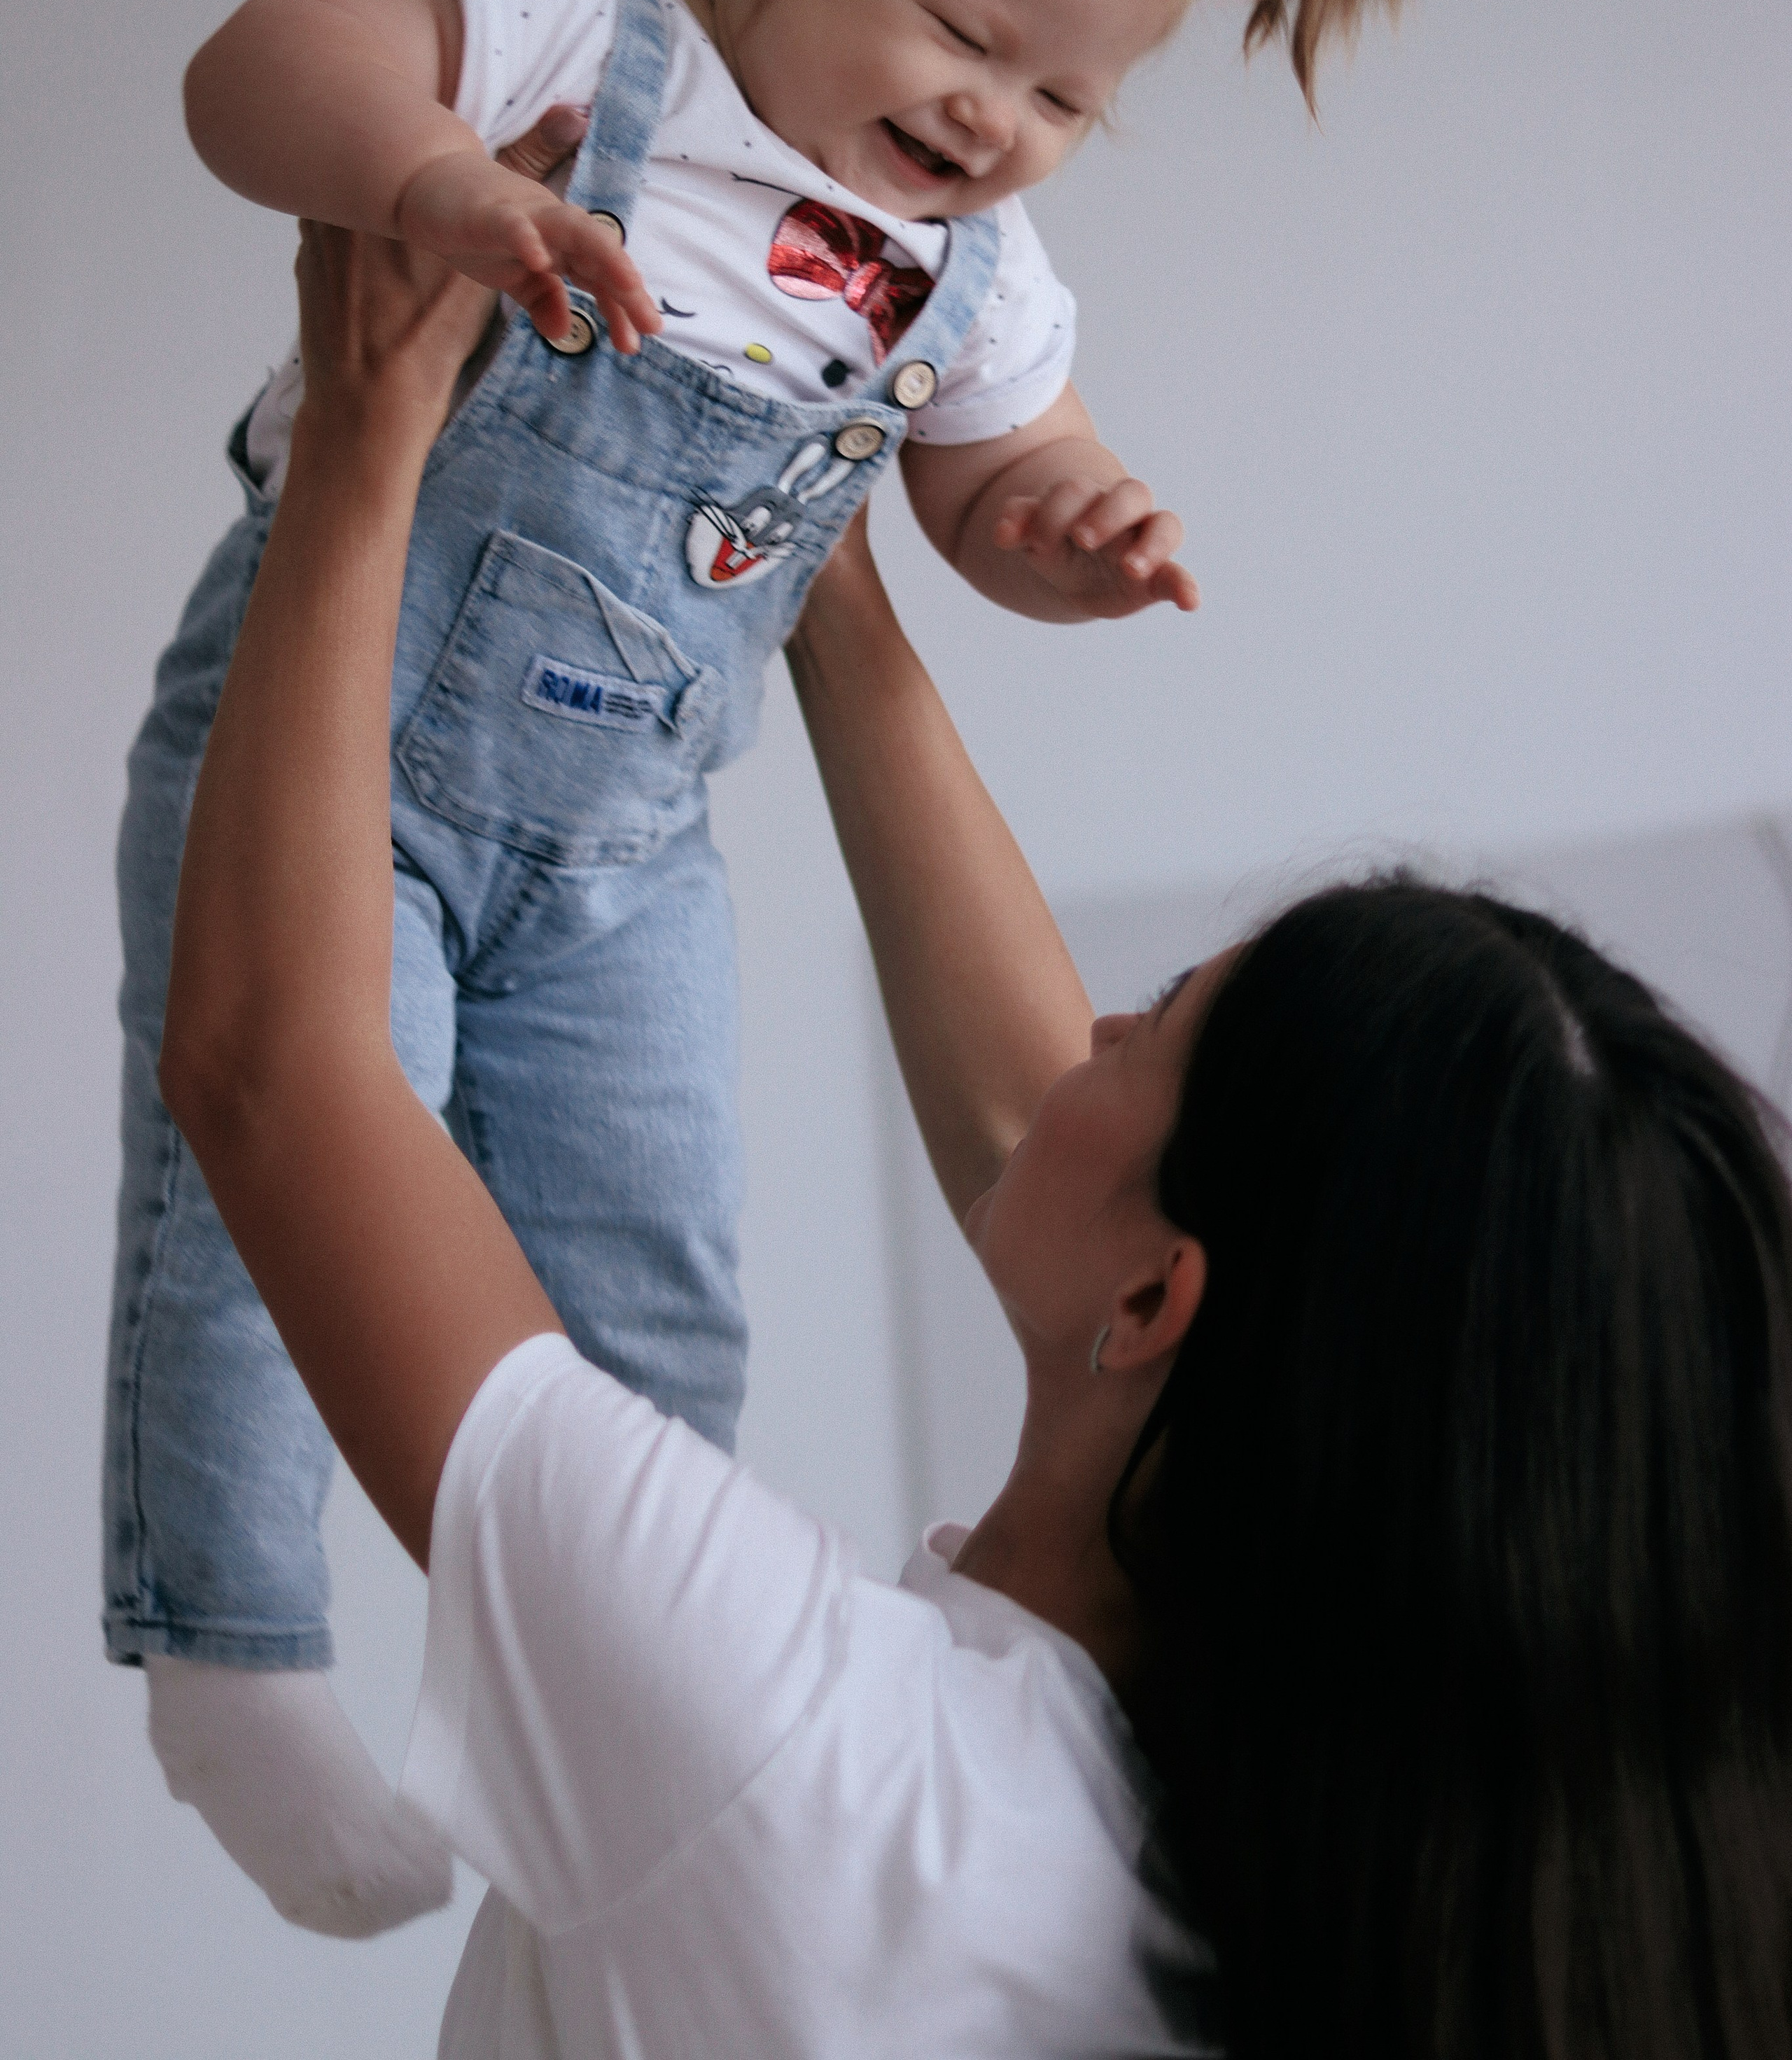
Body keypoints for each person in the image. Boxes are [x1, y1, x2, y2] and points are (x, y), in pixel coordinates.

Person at [107, 0, 1413, 1931]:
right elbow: (250, 69)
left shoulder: (966, 277)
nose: (994, 124)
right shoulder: (585, 47)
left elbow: (985, 483)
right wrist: (432, 184)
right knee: (277, 1180)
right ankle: (233, 1656)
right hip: (349, 760)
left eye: (1066, 102)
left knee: (662, 1271)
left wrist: (1067, 528)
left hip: (627, 843)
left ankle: (587, 1698)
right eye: (965, 31)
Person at [161, 218, 1792, 2060]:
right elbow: (1051, 1135)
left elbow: (276, 1069)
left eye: (1156, 1014)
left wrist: (370, 412)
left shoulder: (803, 1754)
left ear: (1164, 1300)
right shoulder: (1319, 1890)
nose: (1091, 1022)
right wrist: (818, 530)